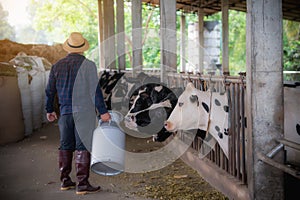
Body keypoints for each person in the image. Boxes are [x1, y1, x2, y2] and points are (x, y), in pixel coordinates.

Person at [45, 32, 111, 195]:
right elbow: (94, 91)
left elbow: (50, 91)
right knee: (82, 146)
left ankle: (65, 181)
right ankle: (82, 184)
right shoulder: (88, 65)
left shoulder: (57, 66)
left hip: (65, 112)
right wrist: (103, 112)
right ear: (83, 49)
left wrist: (49, 109)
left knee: (65, 145)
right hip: (84, 112)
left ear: (68, 47)